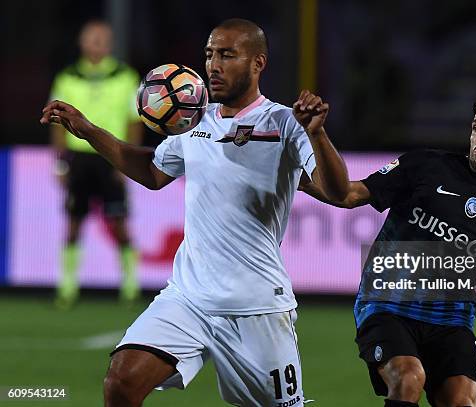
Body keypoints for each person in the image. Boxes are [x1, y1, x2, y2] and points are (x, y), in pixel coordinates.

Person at [41, 18, 348, 407]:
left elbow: (337, 192)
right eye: (209, 54)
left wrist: (317, 133)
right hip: (189, 297)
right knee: (121, 381)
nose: (214, 65)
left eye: (227, 55)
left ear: (258, 63)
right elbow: (152, 171)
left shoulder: (285, 123)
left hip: (255, 307)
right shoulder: (193, 121)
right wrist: (88, 130)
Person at [299, 89, 476, 407]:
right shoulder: (424, 166)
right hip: (388, 307)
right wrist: (309, 150)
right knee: (408, 377)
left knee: (462, 400)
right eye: (475, 127)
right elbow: (347, 194)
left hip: (451, 321)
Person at [49, 20, 143, 308]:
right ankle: (67, 288)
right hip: (79, 158)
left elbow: (133, 120)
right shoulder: (67, 77)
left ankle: (130, 286)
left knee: (119, 222)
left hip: (111, 154)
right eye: (92, 39)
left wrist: (126, 158)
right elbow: (56, 119)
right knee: (74, 222)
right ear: (82, 43)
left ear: (110, 43)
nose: (97, 44)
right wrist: (61, 163)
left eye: (102, 39)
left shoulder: (125, 76)